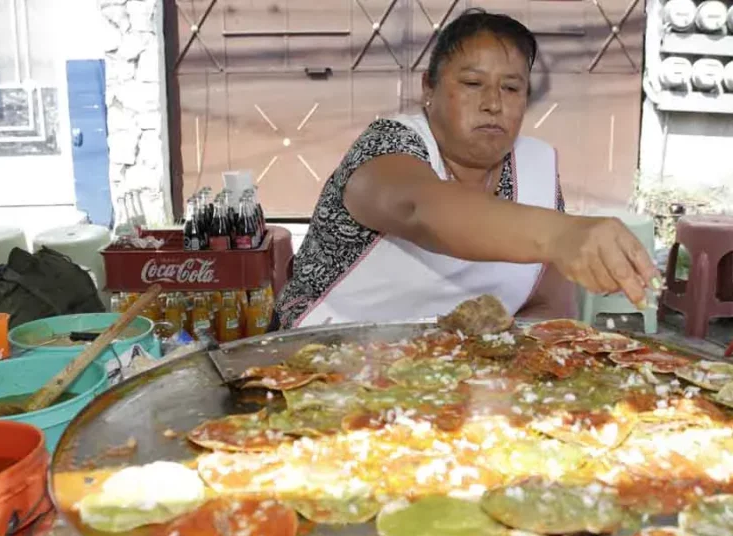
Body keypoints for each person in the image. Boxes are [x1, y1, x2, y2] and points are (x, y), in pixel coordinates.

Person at [274, 9, 659, 329]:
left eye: (511, 88)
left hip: (456, 386)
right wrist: (563, 233)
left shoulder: (536, 169)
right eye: (473, 83)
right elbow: (418, 209)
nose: (493, 103)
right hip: (322, 360)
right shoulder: (389, 144)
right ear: (429, 88)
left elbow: (547, 308)